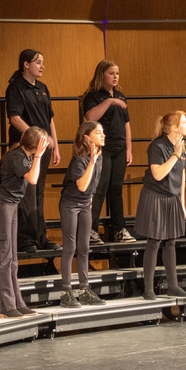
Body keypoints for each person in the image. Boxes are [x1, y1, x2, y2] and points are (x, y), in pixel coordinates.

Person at [0, 127, 48, 317]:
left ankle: (16, 302)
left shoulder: (23, 156)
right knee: (5, 257)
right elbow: (33, 179)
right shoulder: (17, 156)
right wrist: (39, 156)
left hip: (10, 205)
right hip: (3, 207)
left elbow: (3, 181)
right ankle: (6, 306)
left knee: (12, 259)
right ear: (37, 144)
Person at [5, 49, 60, 253]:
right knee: (26, 193)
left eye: (43, 62)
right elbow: (15, 118)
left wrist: (55, 145)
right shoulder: (16, 88)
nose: (42, 66)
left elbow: (50, 118)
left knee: (38, 193)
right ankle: (25, 238)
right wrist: (37, 136)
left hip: (43, 146)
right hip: (26, 148)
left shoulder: (43, 87)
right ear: (26, 64)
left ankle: (40, 237)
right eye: (38, 62)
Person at [135, 112, 186, 299]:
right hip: (156, 196)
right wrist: (175, 154)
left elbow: (182, 175)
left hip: (172, 197)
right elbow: (158, 174)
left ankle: (173, 286)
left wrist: (182, 202)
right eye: (184, 122)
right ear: (174, 127)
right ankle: (148, 288)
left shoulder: (183, 146)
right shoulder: (158, 146)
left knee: (171, 242)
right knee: (154, 241)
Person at [83, 60, 133, 244]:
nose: (115, 77)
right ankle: (91, 230)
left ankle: (119, 229)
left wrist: (129, 148)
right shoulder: (93, 96)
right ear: (102, 75)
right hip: (102, 148)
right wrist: (110, 101)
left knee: (116, 189)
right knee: (99, 188)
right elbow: (90, 117)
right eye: (111, 73)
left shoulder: (121, 96)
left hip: (119, 148)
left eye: (117, 74)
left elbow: (126, 124)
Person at [58, 122, 107, 308]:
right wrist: (92, 162)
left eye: (103, 132)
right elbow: (82, 185)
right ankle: (66, 293)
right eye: (98, 132)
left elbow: (93, 186)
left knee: (84, 247)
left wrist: (90, 200)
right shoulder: (79, 160)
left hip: (86, 205)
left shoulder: (100, 157)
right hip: (70, 205)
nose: (103, 135)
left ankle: (84, 290)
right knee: (70, 247)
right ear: (86, 137)